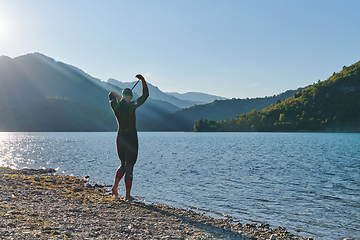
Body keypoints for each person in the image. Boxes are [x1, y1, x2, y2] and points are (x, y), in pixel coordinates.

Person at [108, 74, 149, 201]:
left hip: (120, 138)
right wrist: (143, 81)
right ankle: (127, 195)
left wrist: (118, 96)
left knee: (123, 165)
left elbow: (110, 95)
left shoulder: (115, 106)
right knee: (130, 165)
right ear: (130, 97)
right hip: (131, 138)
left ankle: (115, 187)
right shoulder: (132, 105)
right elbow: (145, 96)